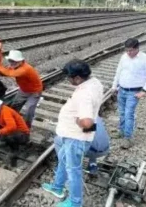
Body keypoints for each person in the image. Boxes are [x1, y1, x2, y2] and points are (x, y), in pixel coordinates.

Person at [41, 60, 103, 207]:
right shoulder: (95, 83)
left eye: (69, 77)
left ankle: (75, 202)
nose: (68, 80)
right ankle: (58, 187)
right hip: (74, 136)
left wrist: (76, 121)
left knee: (73, 170)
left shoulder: (84, 94)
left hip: (76, 138)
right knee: (63, 160)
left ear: (77, 78)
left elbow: (87, 123)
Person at [112, 38, 146, 149]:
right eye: (127, 50)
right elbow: (119, 71)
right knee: (121, 112)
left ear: (137, 48)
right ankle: (121, 132)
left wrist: (144, 91)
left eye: (131, 50)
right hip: (121, 90)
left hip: (134, 92)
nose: (128, 53)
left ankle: (128, 138)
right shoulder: (124, 57)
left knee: (128, 114)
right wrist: (114, 86)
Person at [0, 50, 43, 128]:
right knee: (14, 106)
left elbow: (9, 73)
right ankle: (11, 122)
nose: (12, 63)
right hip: (23, 90)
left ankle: (27, 126)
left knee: (29, 110)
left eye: (14, 61)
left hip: (34, 92)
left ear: (21, 61)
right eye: (10, 61)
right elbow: (4, 73)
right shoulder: (15, 67)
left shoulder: (25, 69)